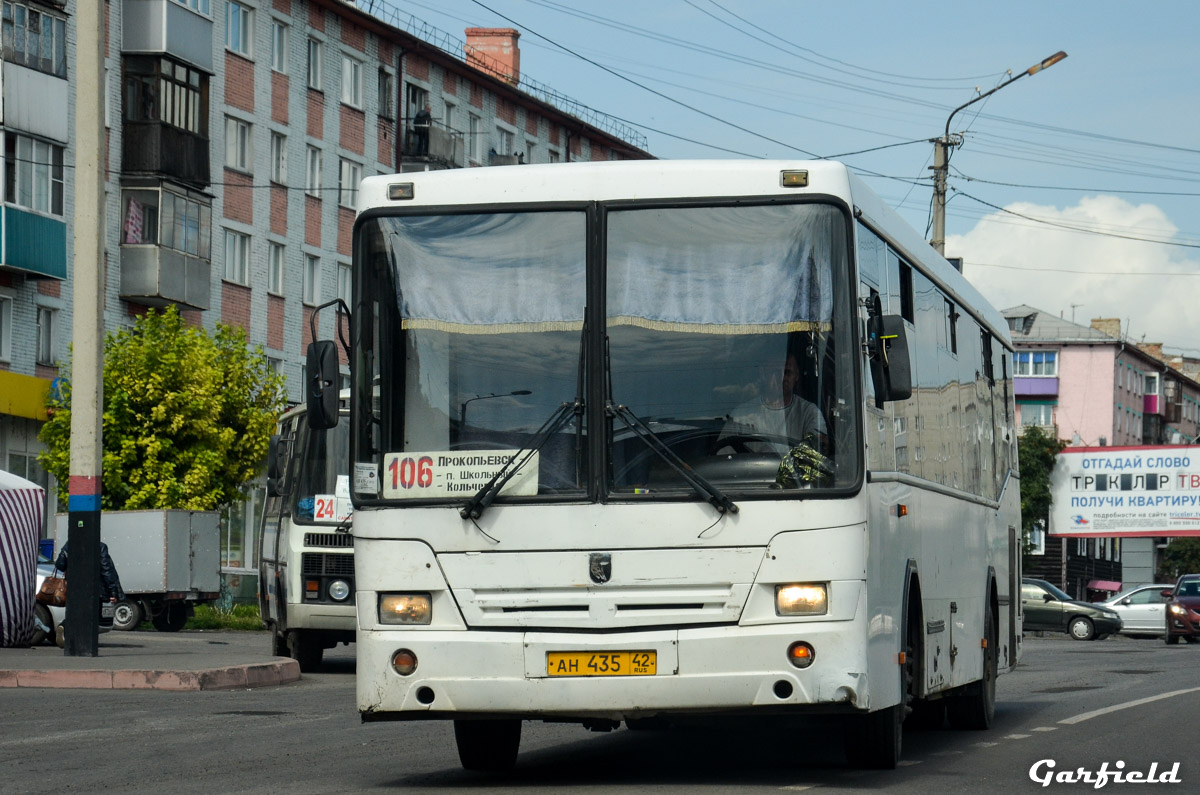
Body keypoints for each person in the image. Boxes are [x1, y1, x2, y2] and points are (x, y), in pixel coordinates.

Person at [718, 352, 829, 484]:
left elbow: (816, 458)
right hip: (749, 489)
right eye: (772, 373)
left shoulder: (809, 413)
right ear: (762, 375)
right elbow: (722, 461)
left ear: (797, 376)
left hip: (798, 492)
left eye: (786, 372)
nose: (780, 378)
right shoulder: (740, 415)